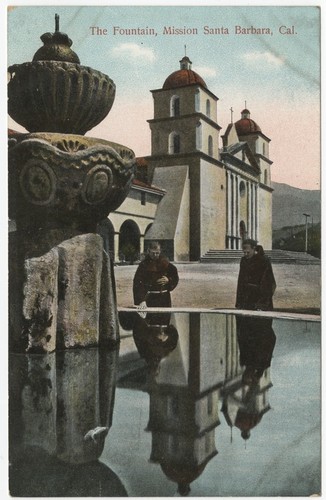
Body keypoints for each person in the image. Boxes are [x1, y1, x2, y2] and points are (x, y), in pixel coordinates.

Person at [133, 242, 179, 309]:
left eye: (157, 253)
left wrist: (169, 280)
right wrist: (141, 300)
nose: (155, 255)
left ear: (160, 251)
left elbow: (175, 276)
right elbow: (137, 283)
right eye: (153, 253)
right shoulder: (143, 265)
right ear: (148, 251)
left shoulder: (165, 263)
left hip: (164, 298)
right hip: (149, 298)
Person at [235, 239, 276, 311]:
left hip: (261, 300)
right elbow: (240, 281)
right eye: (244, 252)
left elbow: (268, 283)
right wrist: (239, 302)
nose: (245, 254)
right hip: (246, 300)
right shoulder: (244, 260)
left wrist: (262, 304)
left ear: (254, 248)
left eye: (248, 252)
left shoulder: (263, 260)